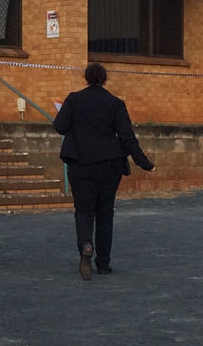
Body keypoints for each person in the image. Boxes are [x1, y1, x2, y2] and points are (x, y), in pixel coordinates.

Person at [53, 62, 154, 280]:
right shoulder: (115, 103)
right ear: (104, 79)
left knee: (83, 209)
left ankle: (85, 246)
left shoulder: (74, 99)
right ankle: (104, 262)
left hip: (80, 163)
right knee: (105, 212)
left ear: (86, 78)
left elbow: (59, 126)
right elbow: (127, 137)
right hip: (110, 165)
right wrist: (144, 162)